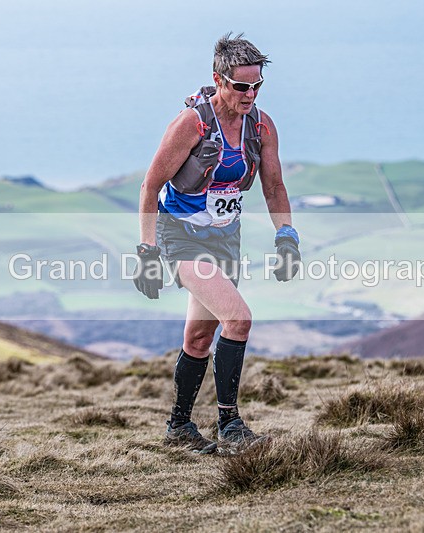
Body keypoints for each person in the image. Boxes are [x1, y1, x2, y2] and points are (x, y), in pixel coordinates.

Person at [133, 33, 301, 454]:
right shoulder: (191, 124)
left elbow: (274, 185)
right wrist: (147, 252)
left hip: (226, 237)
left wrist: (286, 235)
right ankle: (230, 425)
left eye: (257, 85)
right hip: (181, 236)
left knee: (198, 341)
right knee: (239, 319)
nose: (250, 94)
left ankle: (179, 428)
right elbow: (151, 186)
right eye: (241, 86)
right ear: (219, 79)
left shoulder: (261, 126)